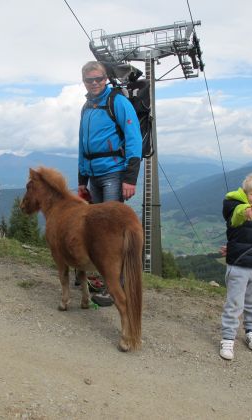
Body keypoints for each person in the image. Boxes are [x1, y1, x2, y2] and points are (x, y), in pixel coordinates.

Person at [78, 61, 142, 306]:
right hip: (93, 176)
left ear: (106, 78)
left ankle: (116, 285)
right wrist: (82, 180)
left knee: (111, 233)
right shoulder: (87, 107)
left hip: (115, 174)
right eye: (89, 80)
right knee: (97, 230)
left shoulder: (118, 102)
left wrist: (130, 177)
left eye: (99, 79)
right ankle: (105, 277)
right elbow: (82, 145)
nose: (95, 83)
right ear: (83, 81)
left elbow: (133, 138)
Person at [220, 173, 252, 360]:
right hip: (239, 266)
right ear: (245, 193)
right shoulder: (234, 205)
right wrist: (246, 211)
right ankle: (228, 337)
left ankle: (251, 330)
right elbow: (236, 216)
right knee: (235, 304)